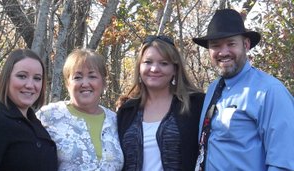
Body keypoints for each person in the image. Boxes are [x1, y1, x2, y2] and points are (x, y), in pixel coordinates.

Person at [192, 9, 294, 171]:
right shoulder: (213, 89)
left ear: (246, 45)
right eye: (215, 45)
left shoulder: (270, 92)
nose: (223, 52)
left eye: (231, 44)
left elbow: (284, 163)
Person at [116, 35, 205, 171]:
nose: (154, 69)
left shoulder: (195, 104)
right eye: (148, 62)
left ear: (175, 69)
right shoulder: (126, 110)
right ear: (139, 66)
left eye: (164, 63)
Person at [36, 48, 124, 171]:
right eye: (77, 77)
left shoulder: (116, 121)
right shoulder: (49, 116)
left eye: (92, 76)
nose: (85, 83)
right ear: (67, 83)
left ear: (103, 83)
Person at [0, 49, 58, 171]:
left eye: (37, 78)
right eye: (22, 76)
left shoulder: (37, 125)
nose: (30, 85)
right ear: (6, 79)